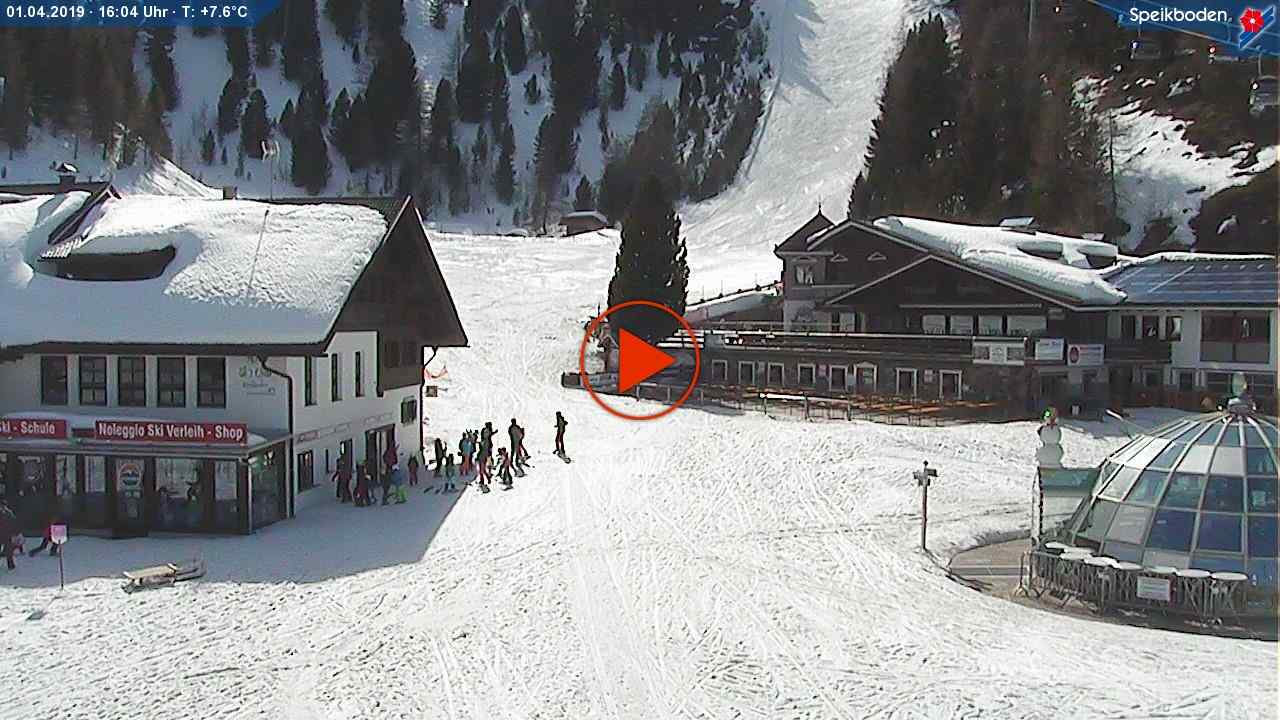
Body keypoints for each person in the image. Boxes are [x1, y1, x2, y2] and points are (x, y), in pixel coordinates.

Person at [0, 499, 17, 570]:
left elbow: (14, 523)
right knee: (8, 550)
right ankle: (11, 565)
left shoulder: (9, 513)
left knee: (9, 550)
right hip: (5, 533)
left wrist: (14, 532)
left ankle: (11, 565)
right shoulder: (9, 513)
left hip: (6, 533)